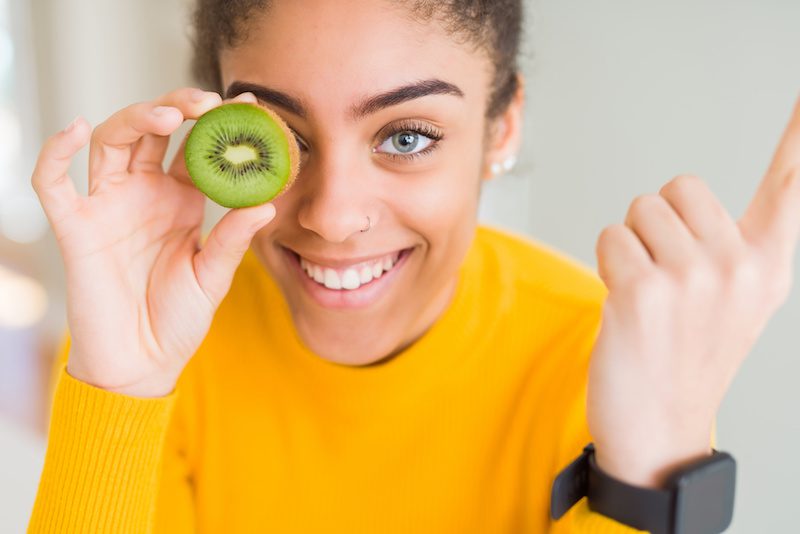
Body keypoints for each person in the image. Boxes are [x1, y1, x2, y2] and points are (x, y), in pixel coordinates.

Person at [26, 0, 800, 532]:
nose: (331, 215)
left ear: (503, 127)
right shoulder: (161, 349)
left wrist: (649, 476)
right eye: (277, 134)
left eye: (407, 136)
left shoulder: (607, 361)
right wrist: (119, 391)